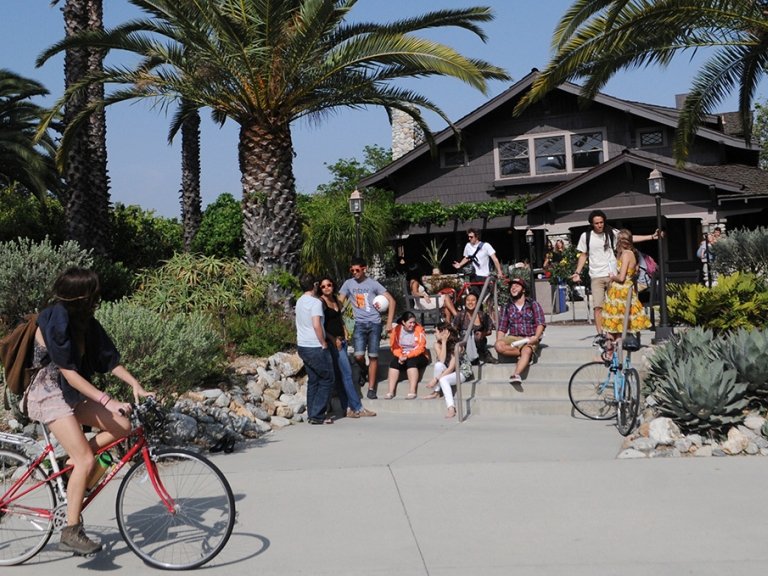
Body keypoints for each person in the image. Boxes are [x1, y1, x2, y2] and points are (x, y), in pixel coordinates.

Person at [26, 267, 153, 555]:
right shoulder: (55, 318)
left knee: (123, 426)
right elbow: (69, 373)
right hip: (45, 393)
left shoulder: (85, 322)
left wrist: (136, 384)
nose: (97, 300)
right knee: (86, 460)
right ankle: (71, 531)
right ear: (79, 297)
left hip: (66, 392)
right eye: (93, 295)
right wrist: (108, 400)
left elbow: (108, 359)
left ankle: (72, 462)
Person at [571, 210, 658, 334]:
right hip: (596, 275)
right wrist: (577, 272)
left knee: (613, 307)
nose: (600, 225)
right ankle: (600, 335)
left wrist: (651, 237)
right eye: (597, 223)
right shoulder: (586, 236)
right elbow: (583, 255)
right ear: (592, 224)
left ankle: (613, 334)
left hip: (613, 275)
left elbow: (629, 238)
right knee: (598, 307)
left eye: (601, 222)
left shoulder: (611, 232)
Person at [318, 276, 376, 418]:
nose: (326, 288)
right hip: (333, 343)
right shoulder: (321, 303)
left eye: (329, 285)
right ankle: (357, 407)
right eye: (323, 286)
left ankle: (346, 408)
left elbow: (339, 318)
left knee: (340, 376)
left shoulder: (336, 300)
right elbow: (320, 325)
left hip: (342, 341)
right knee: (347, 374)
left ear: (333, 285)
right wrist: (333, 339)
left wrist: (344, 331)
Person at [338, 257, 396, 400]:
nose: (354, 273)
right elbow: (339, 301)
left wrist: (389, 322)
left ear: (364, 269)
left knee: (373, 356)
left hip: (375, 323)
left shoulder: (373, 284)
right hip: (359, 324)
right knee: (358, 356)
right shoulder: (348, 284)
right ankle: (364, 370)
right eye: (352, 270)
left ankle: (371, 388)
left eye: (357, 270)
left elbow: (392, 300)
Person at [600, 230, 652, 353]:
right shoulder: (633, 254)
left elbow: (622, 277)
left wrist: (612, 276)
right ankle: (616, 353)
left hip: (620, 291)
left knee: (612, 324)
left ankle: (610, 353)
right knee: (620, 323)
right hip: (627, 289)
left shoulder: (625, 254)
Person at [295, 274, 335, 425]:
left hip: (302, 345)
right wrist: (323, 342)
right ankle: (317, 415)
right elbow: (316, 324)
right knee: (327, 378)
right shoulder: (315, 303)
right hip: (315, 346)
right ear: (315, 285)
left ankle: (312, 414)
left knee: (313, 380)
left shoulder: (299, 301)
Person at [495, 277, 546, 384]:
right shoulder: (507, 307)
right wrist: (498, 342)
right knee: (498, 345)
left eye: (517, 286)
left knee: (526, 350)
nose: (513, 288)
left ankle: (516, 374)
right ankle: (525, 356)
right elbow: (502, 327)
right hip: (513, 337)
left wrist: (536, 337)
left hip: (529, 337)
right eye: (512, 286)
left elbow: (540, 323)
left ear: (523, 290)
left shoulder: (532, 304)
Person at [421, 322, 464, 418]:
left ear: (444, 332)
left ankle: (451, 408)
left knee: (443, 379)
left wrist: (436, 379)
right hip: (447, 370)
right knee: (438, 365)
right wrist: (444, 342)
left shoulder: (457, 345)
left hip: (460, 372)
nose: (434, 334)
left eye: (436, 331)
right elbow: (442, 360)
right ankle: (436, 392)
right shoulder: (437, 344)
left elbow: (451, 368)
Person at [384, 311, 429, 399]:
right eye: (410, 323)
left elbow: (421, 347)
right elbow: (394, 346)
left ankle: (412, 391)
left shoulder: (419, 329)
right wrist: (400, 356)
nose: (412, 325)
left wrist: (407, 356)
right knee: (394, 363)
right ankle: (390, 392)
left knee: (411, 362)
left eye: (414, 322)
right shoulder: (397, 330)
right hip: (402, 354)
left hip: (419, 355)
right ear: (403, 322)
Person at [452, 290, 496, 364]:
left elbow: (489, 330)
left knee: (476, 337)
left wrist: (483, 334)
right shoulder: (460, 315)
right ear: (465, 302)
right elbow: (454, 330)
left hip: (479, 342)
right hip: (464, 342)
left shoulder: (482, 315)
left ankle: (485, 355)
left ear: (477, 302)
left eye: (473, 300)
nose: (470, 302)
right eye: (468, 300)